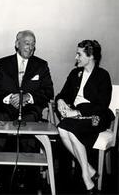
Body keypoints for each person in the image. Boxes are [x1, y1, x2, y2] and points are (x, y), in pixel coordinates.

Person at [56, 40, 114, 194]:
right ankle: (88, 169)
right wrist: (60, 101)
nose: (76, 57)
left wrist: (77, 112)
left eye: (79, 54)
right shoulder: (75, 73)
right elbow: (63, 94)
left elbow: (102, 105)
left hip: (96, 117)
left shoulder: (103, 75)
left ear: (91, 56)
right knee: (62, 128)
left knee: (68, 129)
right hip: (75, 117)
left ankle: (85, 176)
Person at [0, 30, 54, 152]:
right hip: (4, 108)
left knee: (29, 120)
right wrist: (10, 98)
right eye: (27, 43)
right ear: (17, 44)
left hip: (29, 109)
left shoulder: (41, 65)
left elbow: (49, 91)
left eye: (33, 44)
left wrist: (28, 97)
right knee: (0, 118)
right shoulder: (3, 63)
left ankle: (28, 166)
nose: (30, 48)